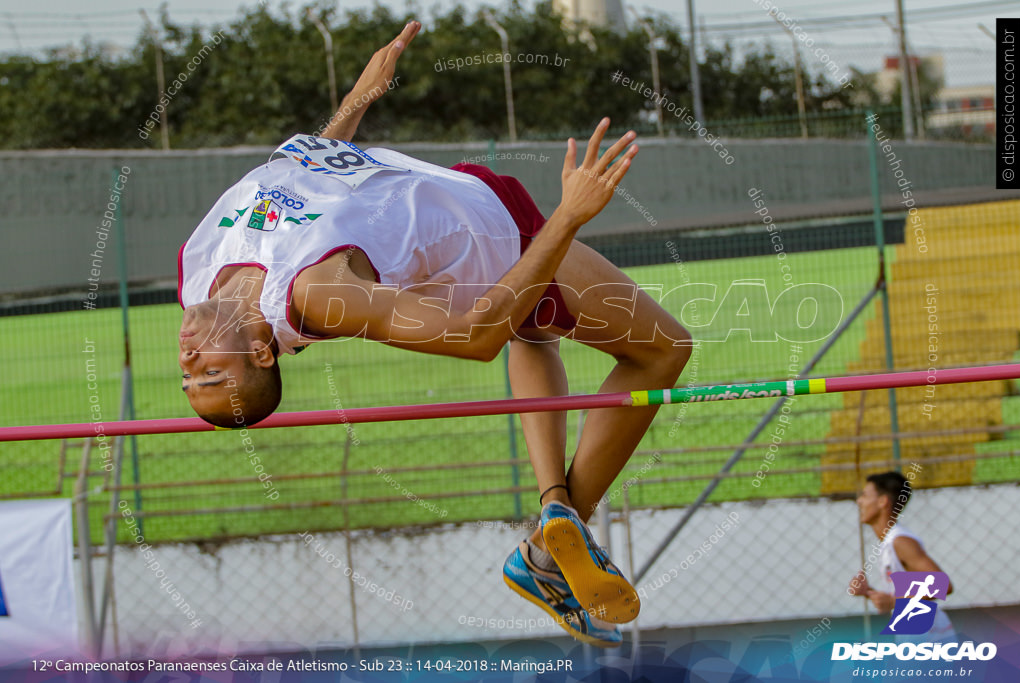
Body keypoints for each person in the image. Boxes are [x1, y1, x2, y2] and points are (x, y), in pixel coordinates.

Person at [177, 22, 691, 647]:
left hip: (459, 201)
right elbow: (476, 337)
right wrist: (568, 217)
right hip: (496, 241)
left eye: (190, 375)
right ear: (260, 351)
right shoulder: (317, 296)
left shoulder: (201, 269)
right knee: (663, 350)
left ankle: (554, 512)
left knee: (534, 336)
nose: (189, 358)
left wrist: (358, 100)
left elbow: (301, 173)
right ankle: (550, 545)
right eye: (210, 373)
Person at [848, 471, 955, 642]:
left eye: (865, 495)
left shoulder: (900, 541)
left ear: (883, 502)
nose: (859, 501)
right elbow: (903, 594)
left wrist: (892, 602)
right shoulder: (888, 543)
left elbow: (943, 585)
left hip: (931, 640)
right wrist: (869, 592)